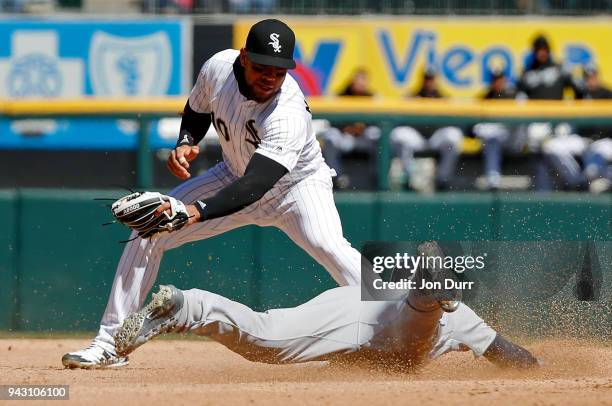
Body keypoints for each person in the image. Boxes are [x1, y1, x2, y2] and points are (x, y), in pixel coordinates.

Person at [62, 19, 364, 369]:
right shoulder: (218, 67)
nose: (270, 77)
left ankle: (406, 312)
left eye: (279, 71)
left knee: (330, 246)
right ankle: (110, 343)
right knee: (148, 230)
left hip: (296, 188)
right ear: (243, 57)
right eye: (262, 67)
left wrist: (193, 211)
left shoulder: (288, 112)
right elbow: (196, 109)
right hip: (231, 175)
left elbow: (256, 184)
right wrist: (186, 141)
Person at [114, 242, 539, 370]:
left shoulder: (466, 320)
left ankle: (424, 289)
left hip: (373, 310)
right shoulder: (462, 318)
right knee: (270, 342)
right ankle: (188, 307)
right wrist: (539, 372)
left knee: (272, 337)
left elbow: (508, 353)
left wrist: (534, 368)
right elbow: (512, 357)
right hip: (365, 315)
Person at [390, 68, 463, 191]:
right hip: (418, 138)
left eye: (432, 79)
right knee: (399, 134)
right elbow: (399, 121)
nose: (429, 82)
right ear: (422, 80)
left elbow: (454, 122)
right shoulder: (412, 97)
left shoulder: (443, 98)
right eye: (427, 79)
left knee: (454, 135)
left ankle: (442, 179)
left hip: (435, 138)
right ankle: (409, 178)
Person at [543, 65, 612, 192]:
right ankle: (576, 181)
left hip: (605, 141)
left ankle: (599, 182)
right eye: (587, 78)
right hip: (583, 140)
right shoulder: (581, 94)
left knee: (593, 171)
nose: (591, 80)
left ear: (598, 77)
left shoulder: (608, 94)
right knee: (551, 146)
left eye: (593, 77)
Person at [319, 68, 380, 189]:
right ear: (352, 81)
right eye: (358, 80)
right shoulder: (341, 96)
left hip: (363, 138)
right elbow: (331, 121)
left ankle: (377, 176)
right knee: (331, 136)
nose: (361, 83)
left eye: (363, 80)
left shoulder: (372, 97)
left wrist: (362, 127)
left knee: (377, 134)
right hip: (345, 137)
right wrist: (346, 127)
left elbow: (378, 121)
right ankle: (336, 177)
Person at [472, 70, 521, 190]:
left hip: (515, 139)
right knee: (491, 139)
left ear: (504, 80)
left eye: (499, 79)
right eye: (495, 79)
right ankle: (493, 182)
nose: (497, 82)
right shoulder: (486, 96)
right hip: (497, 140)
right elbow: (473, 128)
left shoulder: (515, 94)